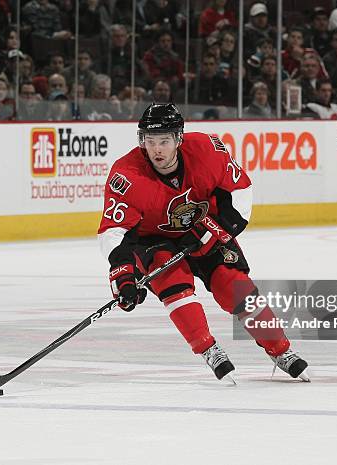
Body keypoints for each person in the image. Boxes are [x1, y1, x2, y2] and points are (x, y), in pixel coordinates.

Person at [97, 103, 310, 382]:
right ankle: (208, 348)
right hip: (153, 239)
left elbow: (240, 193)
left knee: (232, 285)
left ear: (178, 139)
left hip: (205, 226)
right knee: (175, 286)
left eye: (164, 141)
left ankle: (280, 349)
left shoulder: (208, 150)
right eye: (150, 142)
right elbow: (114, 231)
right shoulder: (126, 175)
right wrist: (124, 274)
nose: (157, 150)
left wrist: (214, 230)